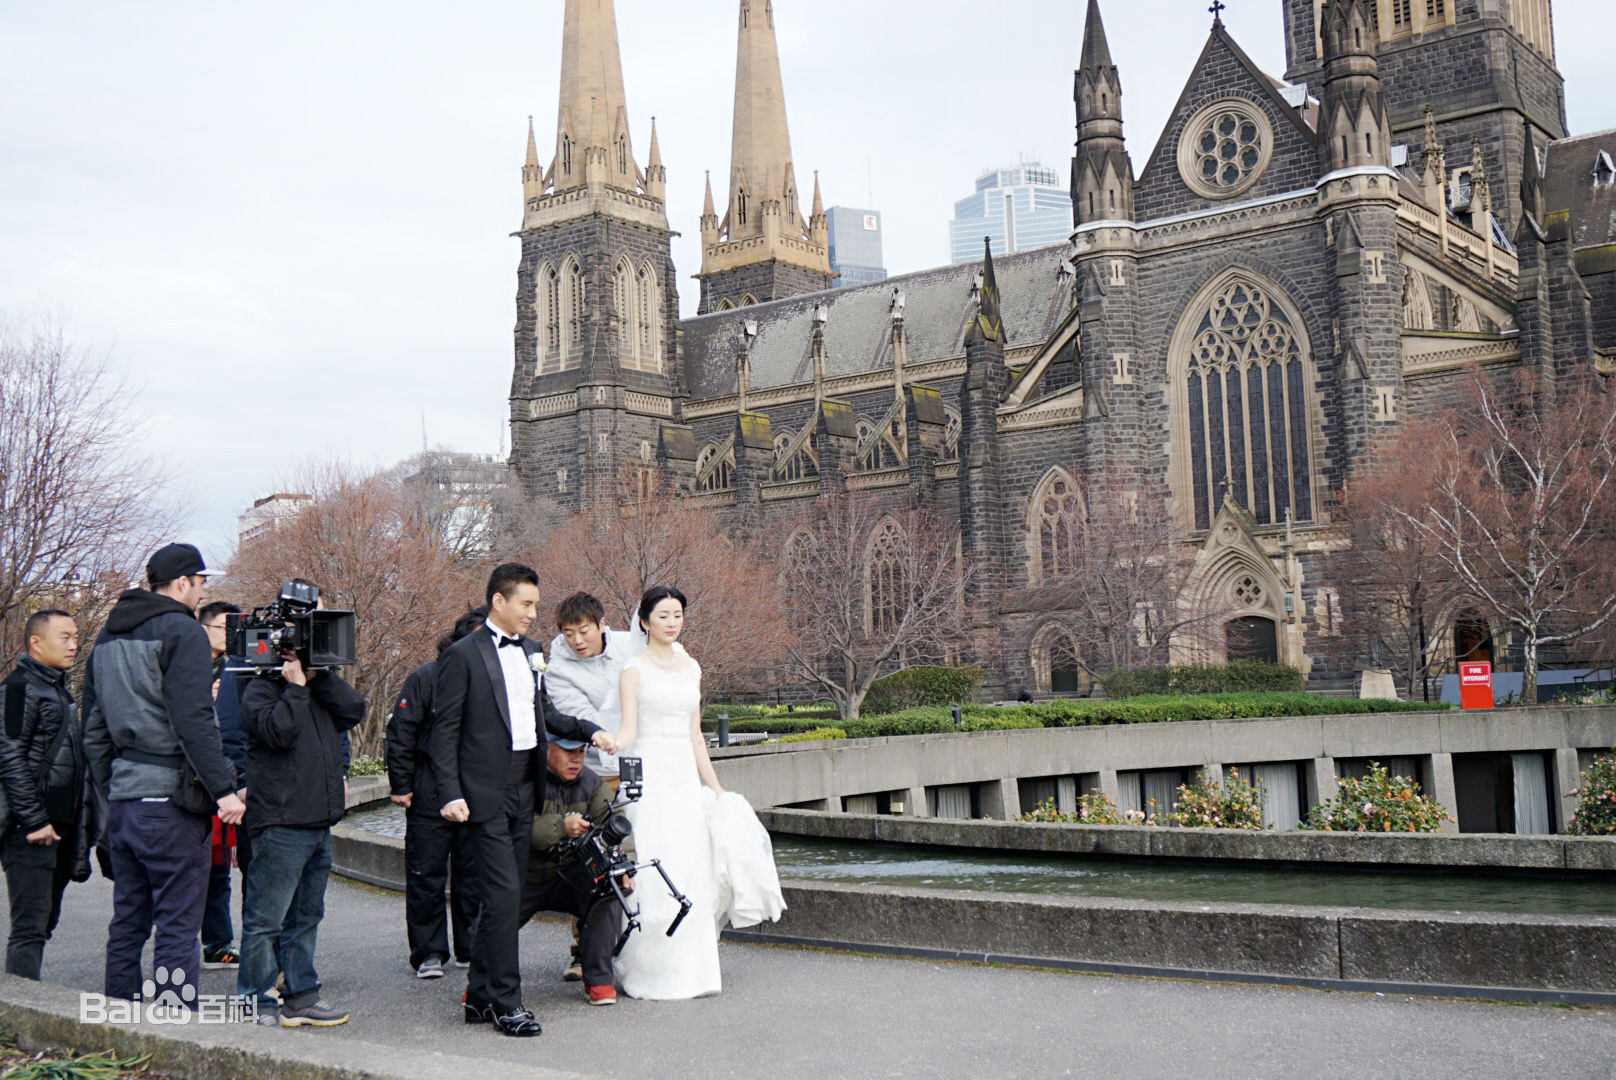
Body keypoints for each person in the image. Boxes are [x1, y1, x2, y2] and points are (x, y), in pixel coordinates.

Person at [427, 563, 613, 1038]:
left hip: (525, 790)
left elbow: (544, 712)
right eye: (527, 604)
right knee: (506, 894)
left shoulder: (532, 651)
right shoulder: (463, 655)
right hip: (483, 794)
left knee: (498, 897)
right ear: (499, 602)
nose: (534, 614)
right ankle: (507, 1002)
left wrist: (591, 730)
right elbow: (443, 729)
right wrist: (449, 792)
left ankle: (479, 992)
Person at [83, 543, 246, 1009]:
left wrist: (111, 788)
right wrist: (223, 790)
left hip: (126, 800)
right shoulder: (183, 632)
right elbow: (194, 718)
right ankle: (175, 1031)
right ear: (181, 583)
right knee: (177, 923)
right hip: (172, 802)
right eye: (200, 582)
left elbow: (92, 730)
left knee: (128, 921)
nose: (202, 591)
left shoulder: (108, 637)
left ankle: (121, 1022)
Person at [612, 585, 785, 1000]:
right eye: (663, 615)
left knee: (691, 871)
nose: (672, 622)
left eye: (677, 615)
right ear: (644, 621)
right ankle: (648, 969)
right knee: (657, 869)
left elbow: (695, 736)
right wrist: (608, 742)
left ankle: (694, 972)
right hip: (651, 780)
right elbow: (629, 731)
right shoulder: (632, 670)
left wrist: (716, 788)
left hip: (684, 783)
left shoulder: (692, 667)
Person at [236, 619, 366, 1028]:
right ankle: (255, 1001)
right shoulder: (258, 689)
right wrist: (294, 686)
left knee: (305, 917)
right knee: (266, 920)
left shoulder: (319, 689)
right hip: (280, 822)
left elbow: (355, 710)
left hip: (317, 822)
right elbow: (280, 733)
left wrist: (317, 675)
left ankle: (301, 996)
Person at [541, 590, 642, 981]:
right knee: (591, 858)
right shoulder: (558, 667)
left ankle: (637, 946)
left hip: (638, 760)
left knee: (641, 851)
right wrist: (617, 732)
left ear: (602, 625)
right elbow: (580, 718)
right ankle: (582, 953)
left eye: (583, 630)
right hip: (595, 766)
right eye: (568, 633)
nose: (576, 640)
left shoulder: (629, 647)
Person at [384, 607, 486, 980]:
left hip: (475, 793)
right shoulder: (426, 677)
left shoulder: (491, 679)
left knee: (472, 875)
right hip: (429, 792)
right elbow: (402, 733)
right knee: (425, 874)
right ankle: (428, 952)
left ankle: (470, 946)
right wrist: (401, 784)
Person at [0, 609, 93, 980]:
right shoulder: (19, 688)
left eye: (75, 637)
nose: (74, 644)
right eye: (65, 637)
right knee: (30, 928)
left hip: (60, 828)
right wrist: (34, 820)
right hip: (32, 831)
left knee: (44, 923)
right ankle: (19, 1020)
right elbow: (7, 756)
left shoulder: (57, 690)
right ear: (36, 643)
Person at [522, 735, 631, 1007]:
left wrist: (621, 868)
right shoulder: (523, 777)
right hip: (524, 875)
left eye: (582, 752)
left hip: (570, 875)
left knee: (608, 887)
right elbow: (520, 827)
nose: (577, 759)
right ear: (546, 750)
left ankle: (599, 980)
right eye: (569, 752)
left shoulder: (592, 782)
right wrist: (562, 826)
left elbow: (613, 825)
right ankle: (484, 983)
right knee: (493, 910)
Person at [197, 600, 244, 971]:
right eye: (222, 628)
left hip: (227, 779)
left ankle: (218, 942)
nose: (230, 636)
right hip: (195, 781)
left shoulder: (238, 668)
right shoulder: (186, 666)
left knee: (220, 869)